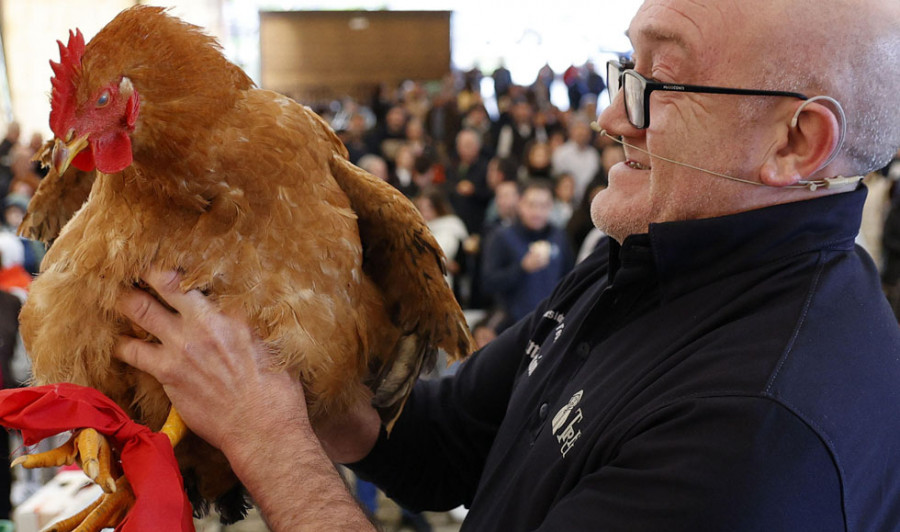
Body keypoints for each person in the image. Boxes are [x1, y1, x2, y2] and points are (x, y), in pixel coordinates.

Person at [114, 0, 900, 530]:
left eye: (660, 83)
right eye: (624, 68)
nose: (611, 114)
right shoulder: (647, 257)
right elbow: (448, 439)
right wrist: (278, 380)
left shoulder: (759, 439)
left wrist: (267, 437)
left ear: (796, 143)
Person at [480, 179, 574, 329]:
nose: (537, 212)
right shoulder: (502, 236)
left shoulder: (559, 236)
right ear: (520, 204)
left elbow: (570, 278)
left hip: (550, 323)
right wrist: (522, 268)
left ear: (551, 207)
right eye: (531, 205)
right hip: (512, 325)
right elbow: (489, 282)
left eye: (544, 205)